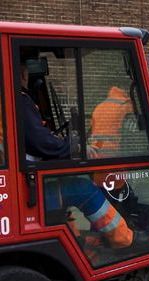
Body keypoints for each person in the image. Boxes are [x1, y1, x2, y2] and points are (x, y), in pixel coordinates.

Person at [17, 62, 135, 249]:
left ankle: (76, 242)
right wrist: (74, 148)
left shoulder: (102, 107)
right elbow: (41, 142)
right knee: (82, 189)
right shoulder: (19, 100)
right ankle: (124, 240)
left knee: (73, 186)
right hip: (27, 185)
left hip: (28, 177)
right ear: (23, 74)